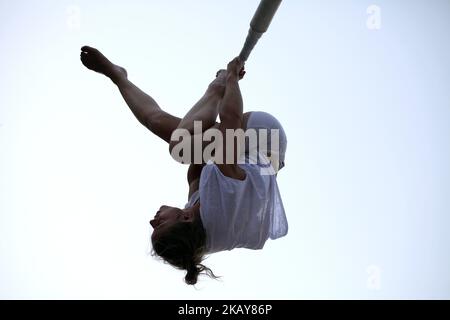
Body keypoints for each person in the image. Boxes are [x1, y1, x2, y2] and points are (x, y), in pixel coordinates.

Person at [80, 46, 288, 285]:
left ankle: (117, 76)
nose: (152, 221)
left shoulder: (200, 222)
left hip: (259, 161)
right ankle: (217, 86)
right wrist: (231, 78)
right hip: (263, 135)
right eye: (160, 225)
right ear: (186, 219)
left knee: (158, 123)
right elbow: (231, 120)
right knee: (180, 146)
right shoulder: (219, 200)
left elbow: (197, 170)